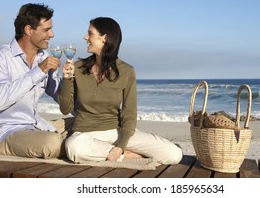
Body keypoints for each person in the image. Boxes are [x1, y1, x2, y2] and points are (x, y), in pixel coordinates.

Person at [58, 17, 183, 164]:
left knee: (173, 154)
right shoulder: (78, 68)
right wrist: (67, 78)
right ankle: (125, 156)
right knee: (73, 147)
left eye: (90, 33)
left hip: (117, 132)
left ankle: (114, 152)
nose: (85, 37)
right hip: (85, 135)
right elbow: (65, 109)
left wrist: (121, 146)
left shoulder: (126, 71)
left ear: (104, 38)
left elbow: (129, 113)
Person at [0, 3, 71, 159]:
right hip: (7, 132)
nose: (52, 34)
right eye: (46, 30)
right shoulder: (1, 57)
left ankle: (77, 143)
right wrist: (38, 71)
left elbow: (61, 99)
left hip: (35, 125)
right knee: (52, 144)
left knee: (88, 123)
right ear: (28, 30)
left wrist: (67, 79)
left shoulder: (43, 57)